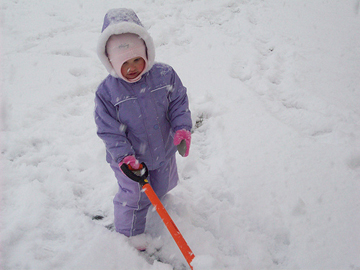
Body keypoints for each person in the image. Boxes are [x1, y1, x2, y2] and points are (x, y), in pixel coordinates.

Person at [94, 8, 192, 250]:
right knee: (134, 197)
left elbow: (178, 102)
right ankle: (129, 235)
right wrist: (125, 158)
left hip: (163, 150)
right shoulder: (108, 92)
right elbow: (109, 130)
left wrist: (181, 129)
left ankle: (158, 202)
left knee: (162, 185)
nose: (132, 67)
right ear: (111, 62)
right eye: (124, 63)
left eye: (137, 59)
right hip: (132, 161)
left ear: (147, 52)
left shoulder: (164, 75)